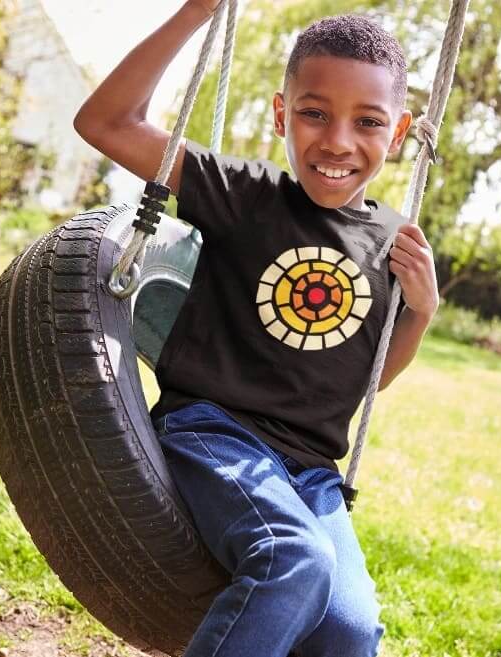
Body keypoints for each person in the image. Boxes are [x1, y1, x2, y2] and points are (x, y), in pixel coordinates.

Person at [74, 2, 439, 655]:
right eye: (314, 113)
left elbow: (367, 377)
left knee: (353, 630)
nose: (337, 142)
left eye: (369, 122)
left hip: (314, 474)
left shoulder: (394, 240)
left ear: (401, 130)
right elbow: (106, 122)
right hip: (215, 434)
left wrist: (419, 311)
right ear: (281, 113)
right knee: (293, 561)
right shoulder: (243, 193)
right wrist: (196, 14)